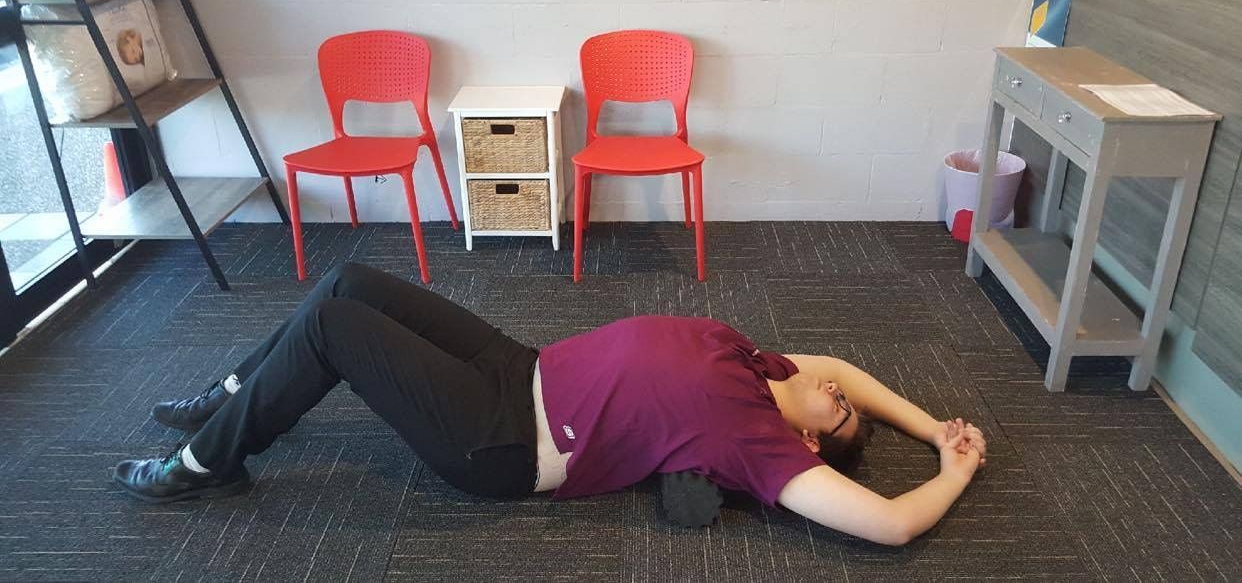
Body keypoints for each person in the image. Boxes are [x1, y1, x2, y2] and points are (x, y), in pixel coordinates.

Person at [113, 263, 986, 546]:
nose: (836, 394)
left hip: (504, 439)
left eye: (838, 417)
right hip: (518, 365)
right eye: (840, 398)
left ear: (805, 438)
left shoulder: (759, 440)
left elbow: (889, 522)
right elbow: (850, 368)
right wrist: (925, 420)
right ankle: (225, 400)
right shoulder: (765, 365)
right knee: (350, 277)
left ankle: (203, 466)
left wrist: (951, 470)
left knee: (338, 327)